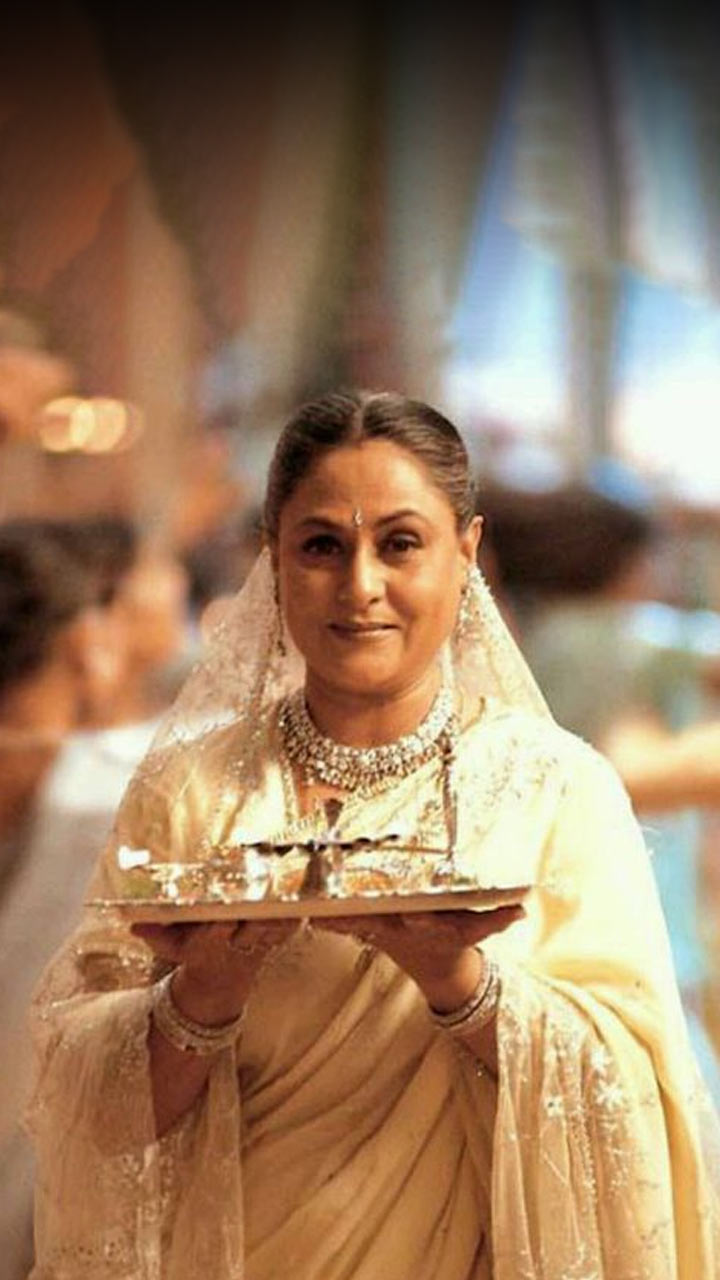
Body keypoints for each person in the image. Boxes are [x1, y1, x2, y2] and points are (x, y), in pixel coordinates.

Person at [27, 391, 720, 1279]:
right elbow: (89, 1112)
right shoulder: (191, 791)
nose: (360, 586)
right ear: (273, 557)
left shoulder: (554, 788)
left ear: (465, 552)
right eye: (322, 546)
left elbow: (634, 1100)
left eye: (400, 544)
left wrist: (458, 982)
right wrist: (204, 993)